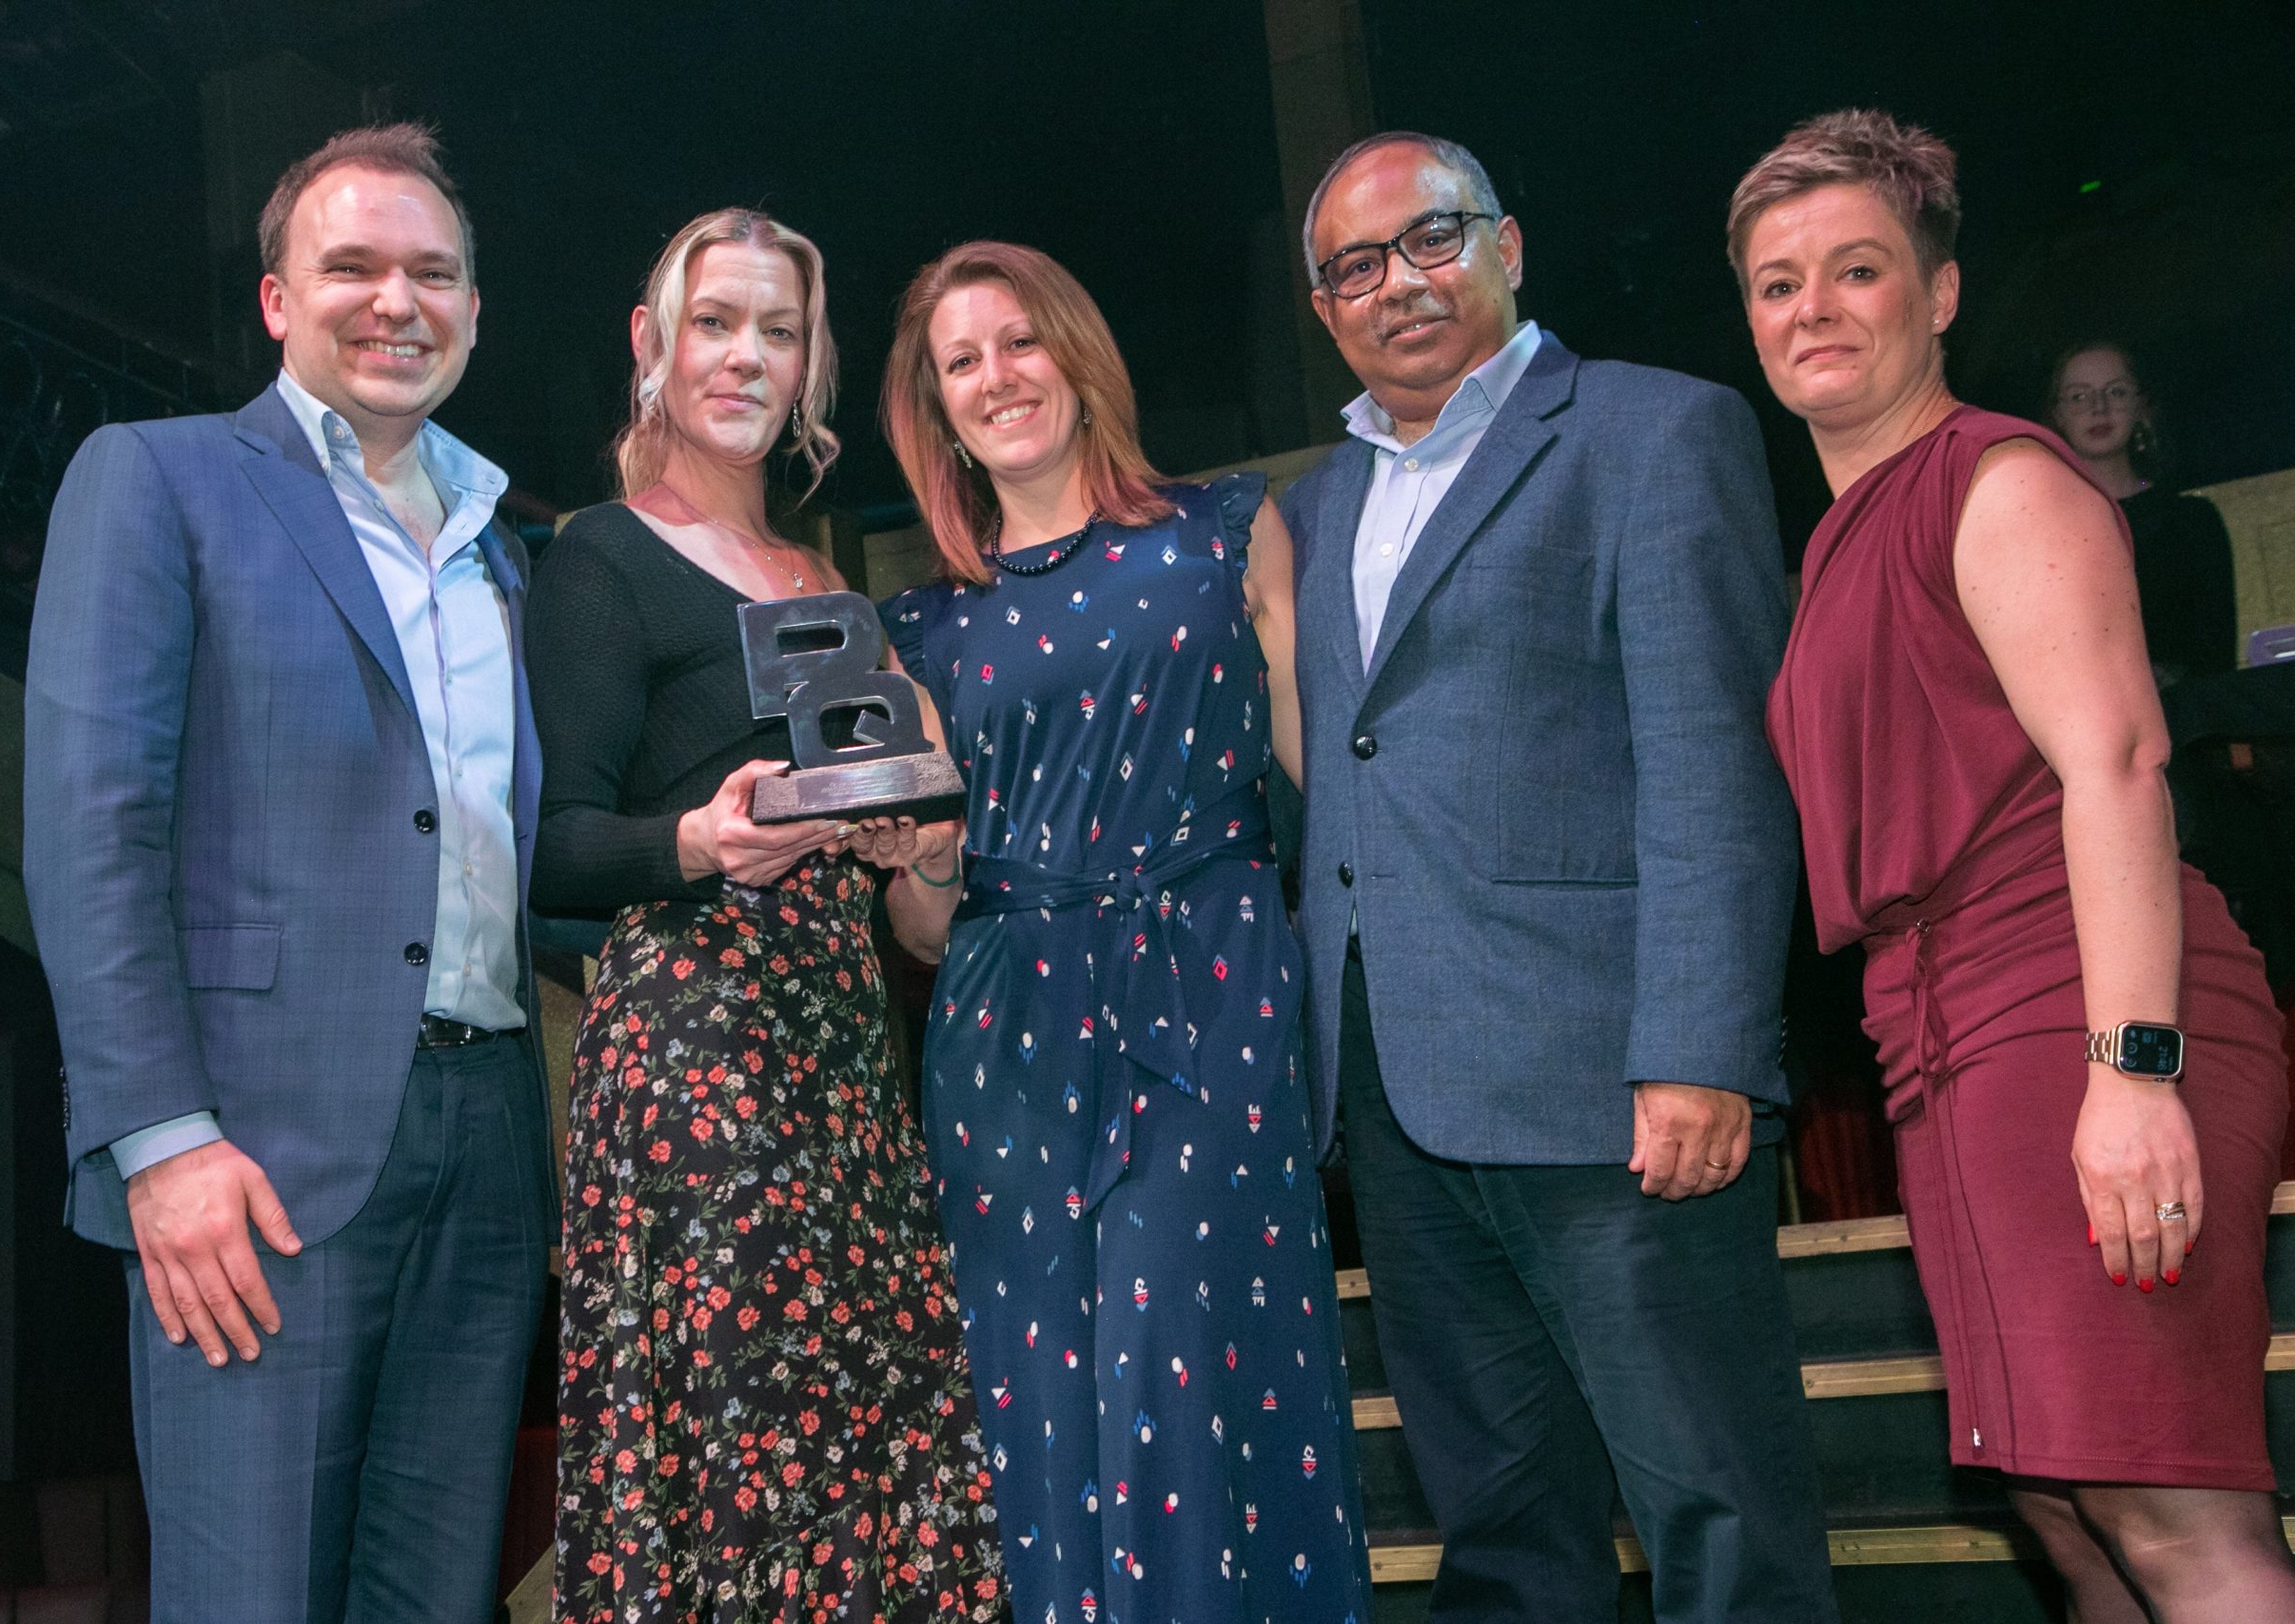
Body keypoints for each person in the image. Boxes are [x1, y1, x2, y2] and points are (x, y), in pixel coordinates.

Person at [1738, 109, 2295, 1622]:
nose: (1816, 308)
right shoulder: (1836, 542)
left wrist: (2135, 1069)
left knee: (2171, 1507)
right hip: (1942, 1035)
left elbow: (2118, 763)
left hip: (2074, 999)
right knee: (2060, 1503)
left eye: (1858, 269)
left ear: (1941, 294)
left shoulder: (1994, 482)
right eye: (1779, 283)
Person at [1283, 131, 1837, 1622]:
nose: (1397, 283)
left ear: (1509, 244)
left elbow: (1715, 766)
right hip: (1399, 1094)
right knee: (1503, 1529)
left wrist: (1702, 1049)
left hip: (1615, 1086)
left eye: (1430, 239)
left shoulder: (1656, 433)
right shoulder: (1319, 504)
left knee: (1719, 1505)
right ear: (1322, 306)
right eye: (1354, 266)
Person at [23, 125, 553, 1622]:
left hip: (490, 1145)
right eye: (354, 266)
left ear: (471, 309)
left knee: (439, 1596)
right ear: (276, 299)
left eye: (433, 272)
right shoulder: (157, 480)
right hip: (248, 1159)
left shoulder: (503, 550)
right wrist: (158, 1138)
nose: (397, 300)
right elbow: (90, 823)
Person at [875, 241, 1372, 1624]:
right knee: (1033, 1394)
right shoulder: (922, 624)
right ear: (938, 410)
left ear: (1077, 354)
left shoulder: (1226, 529)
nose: (997, 378)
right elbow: (924, 922)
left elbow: (1330, 783)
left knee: (1189, 1358)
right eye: (961, 362)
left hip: (1206, 993)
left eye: (1018, 341)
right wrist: (922, 861)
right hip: (1003, 1030)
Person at [527, 207, 1005, 1624]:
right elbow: (551, 846)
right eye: (718, 320)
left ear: (811, 368)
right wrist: (703, 839)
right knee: (741, 1460)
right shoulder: (598, 558)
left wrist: (924, 842)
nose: (745, 355)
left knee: (891, 1444)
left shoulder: (830, 585)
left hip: (849, 1065)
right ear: (651, 342)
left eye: (778, 331)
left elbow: (921, 924)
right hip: (697, 1062)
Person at [2045, 342, 2240, 682]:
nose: (2098, 408)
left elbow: (2217, 655)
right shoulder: (2043, 532)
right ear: (2058, 416)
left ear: (2141, 406)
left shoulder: (2193, 521)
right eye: (2079, 396)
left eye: (2116, 392)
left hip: (2187, 723)